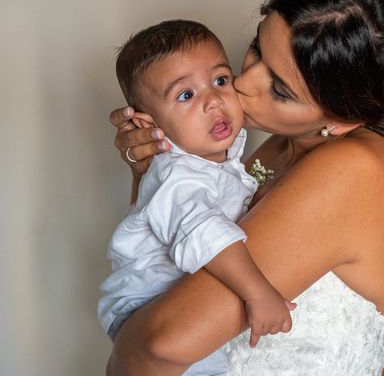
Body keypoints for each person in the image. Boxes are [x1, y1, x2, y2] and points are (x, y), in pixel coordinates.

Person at [107, 0, 384, 375]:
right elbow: (170, 263)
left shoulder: (352, 171)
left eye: (279, 89)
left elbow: (160, 345)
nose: (244, 83)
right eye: (258, 47)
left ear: (342, 119)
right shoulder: (280, 147)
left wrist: (122, 355)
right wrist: (155, 171)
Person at [99, 20, 295, 376]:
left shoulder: (216, 154)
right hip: (148, 302)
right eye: (186, 95)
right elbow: (205, 232)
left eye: (220, 80)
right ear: (148, 124)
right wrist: (258, 293)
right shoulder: (176, 174)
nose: (214, 101)